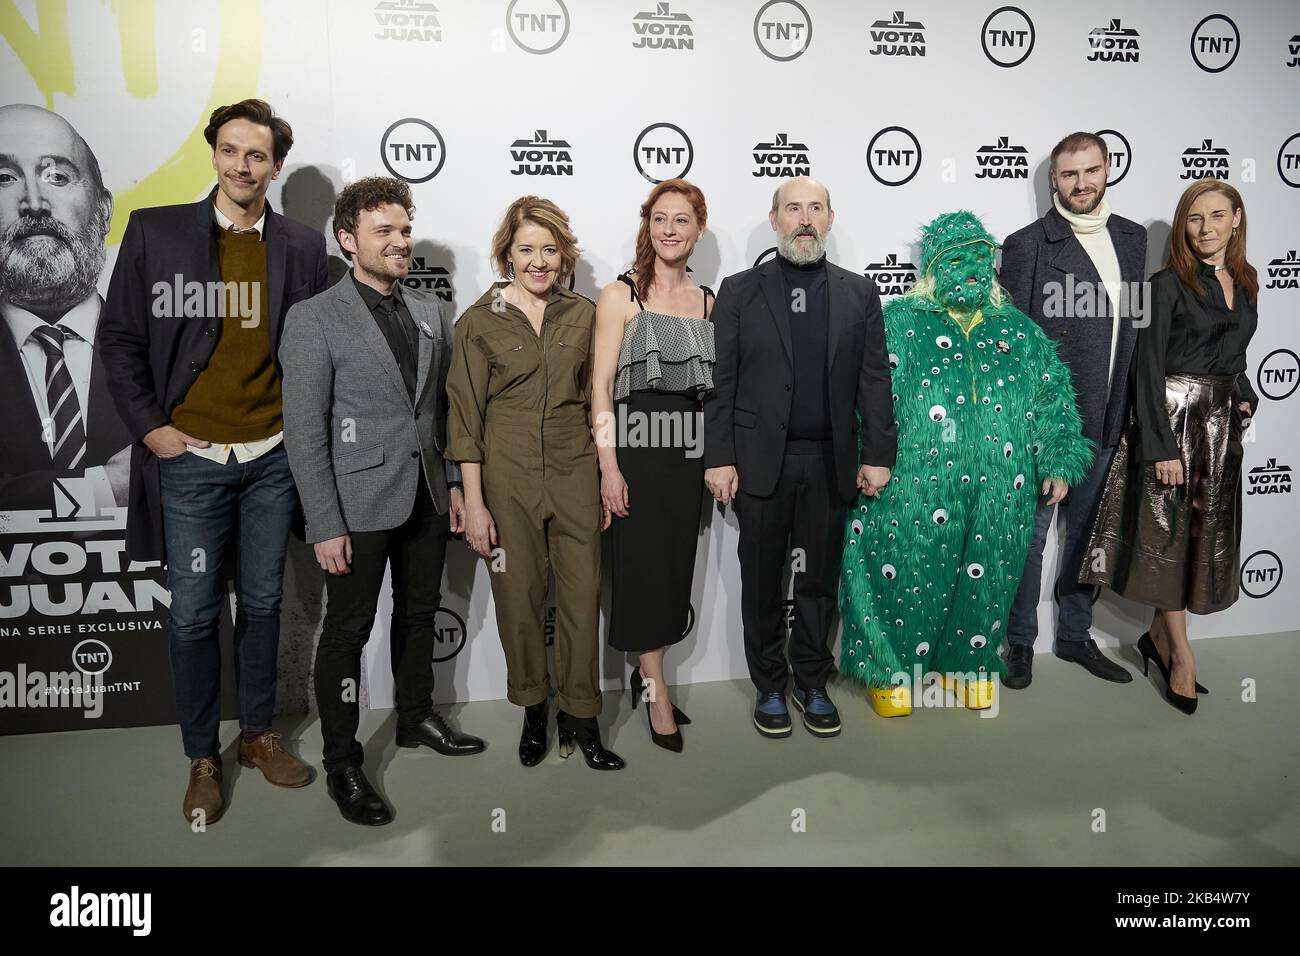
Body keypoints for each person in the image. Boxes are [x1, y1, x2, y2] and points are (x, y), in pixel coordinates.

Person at [99, 99, 329, 824]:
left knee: (262, 606)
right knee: (196, 615)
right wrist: (154, 431)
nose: (241, 166)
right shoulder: (156, 231)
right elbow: (118, 341)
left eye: (256, 155)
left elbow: (317, 355)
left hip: (272, 459)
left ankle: (257, 737)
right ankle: (203, 754)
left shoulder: (301, 246)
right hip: (190, 459)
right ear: (214, 154)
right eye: (230, 151)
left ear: (276, 166)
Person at [280, 177, 485, 826]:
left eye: (405, 229)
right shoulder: (313, 318)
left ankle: (417, 716)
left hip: (425, 493)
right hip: (355, 504)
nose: (401, 241)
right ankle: (343, 762)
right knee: (346, 633)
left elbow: (442, 412)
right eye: (384, 232)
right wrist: (324, 522)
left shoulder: (430, 312)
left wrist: (452, 486)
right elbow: (306, 432)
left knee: (421, 614)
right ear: (348, 240)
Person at [839, 211, 1094, 717]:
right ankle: (891, 669)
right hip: (914, 483)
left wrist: (1061, 456)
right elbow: (866, 395)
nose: (972, 268)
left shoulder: (1018, 330)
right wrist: (864, 457)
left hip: (1004, 485)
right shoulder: (897, 323)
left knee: (991, 575)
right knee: (905, 572)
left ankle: (968, 663)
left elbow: (1053, 394)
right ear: (933, 265)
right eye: (957, 258)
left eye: (980, 256)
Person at [703, 176, 896, 739]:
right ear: (774, 219)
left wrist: (879, 452)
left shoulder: (859, 293)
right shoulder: (739, 291)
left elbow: (874, 380)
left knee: (816, 582)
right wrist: (719, 457)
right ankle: (768, 684)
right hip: (761, 465)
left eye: (816, 208)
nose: (804, 218)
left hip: (830, 464)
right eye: (793, 209)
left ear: (830, 220)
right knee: (762, 581)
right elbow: (721, 382)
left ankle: (811, 679)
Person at [446, 195, 624, 770]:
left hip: (575, 469)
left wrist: (604, 471)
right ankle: (532, 707)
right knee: (518, 600)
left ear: (564, 255)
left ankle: (582, 715)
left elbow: (599, 399)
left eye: (550, 249)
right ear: (507, 254)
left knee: (580, 598)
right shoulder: (478, 321)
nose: (539, 261)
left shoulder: (585, 313)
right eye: (527, 249)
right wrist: (474, 503)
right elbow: (464, 417)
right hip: (507, 476)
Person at [1080, 181, 1259, 715]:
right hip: (1175, 423)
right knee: (1173, 537)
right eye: (1194, 219)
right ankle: (1182, 656)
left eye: (1216, 216)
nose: (1205, 229)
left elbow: (1235, 353)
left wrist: (1244, 397)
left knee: (1205, 537)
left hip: (1221, 427)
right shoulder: (1166, 284)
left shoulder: (1247, 282)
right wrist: (1159, 446)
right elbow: (1147, 369)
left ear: (1237, 218)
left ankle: (1158, 639)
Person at [998, 131, 1147, 689]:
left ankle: (1075, 635)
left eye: (1091, 171)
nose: (1081, 184)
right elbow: (1009, 347)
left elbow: (1139, 330)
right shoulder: (1027, 244)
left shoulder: (1133, 240)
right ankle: (1019, 643)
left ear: (1107, 170)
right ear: (1053, 180)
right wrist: (1034, 425)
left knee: (1089, 539)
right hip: (1047, 427)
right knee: (1029, 542)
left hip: (1111, 418)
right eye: (1068, 174)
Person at [592, 178, 713, 753]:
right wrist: (609, 468)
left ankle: (654, 679)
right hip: (636, 448)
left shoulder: (710, 301)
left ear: (698, 230)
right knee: (639, 572)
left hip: (688, 454)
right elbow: (599, 392)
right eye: (659, 219)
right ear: (648, 226)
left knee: (673, 571)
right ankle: (655, 690)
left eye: (681, 220)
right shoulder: (621, 295)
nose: (669, 230)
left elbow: (717, 394)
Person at [0, 105, 131, 512]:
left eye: (57, 176)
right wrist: (104, 489)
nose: (34, 202)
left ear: (104, 209)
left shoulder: (169, 354)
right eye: (4, 178)